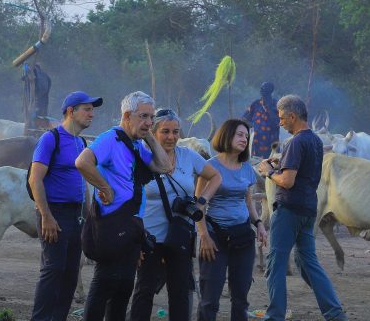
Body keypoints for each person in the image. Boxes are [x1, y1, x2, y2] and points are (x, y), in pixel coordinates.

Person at [75, 91, 173, 321]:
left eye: (151, 118)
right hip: (111, 224)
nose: (149, 122)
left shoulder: (136, 144)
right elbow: (82, 162)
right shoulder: (110, 139)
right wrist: (105, 187)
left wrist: (149, 135)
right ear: (127, 115)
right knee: (105, 283)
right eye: (144, 116)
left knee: (124, 287)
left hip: (132, 226)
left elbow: (164, 166)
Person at [256, 95, 346, 321]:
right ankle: (335, 314)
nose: (280, 123)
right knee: (307, 263)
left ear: (292, 116)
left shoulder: (295, 142)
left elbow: (287, 181)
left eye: (281, 118)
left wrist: (268, 171)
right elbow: (301, 169)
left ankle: (275, 315)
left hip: (289, 210)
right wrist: (282, 163)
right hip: (308, 210)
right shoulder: (315, 140)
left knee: (276, 263)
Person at [128, 109, 222, 321]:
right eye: (165, 131)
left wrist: (201, 202)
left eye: (175, 131)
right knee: (144, 291)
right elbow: (129, 200)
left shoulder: (188, 156)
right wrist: (134, 238)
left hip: (180, 236)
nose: (171, 137)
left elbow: (216, 176)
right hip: (148, 237)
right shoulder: (141, 157)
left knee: (180, 292)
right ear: (153, 132)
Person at [29, 91, 101, 321]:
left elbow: (83, 182)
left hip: (77, 215)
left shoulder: (81, 142)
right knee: (53, 269)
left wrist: (88, 216)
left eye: (92, 110)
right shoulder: (51, 139)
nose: (92, 114)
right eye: (87, 109)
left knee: (71, 272)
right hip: (55, 212)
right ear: (71, 111)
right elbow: (35, 179)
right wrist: (46, 216)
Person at [197, 118, 268, 321]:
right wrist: (204, 236)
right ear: (227, 135)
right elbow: (198, 206)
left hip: (242, 237)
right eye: (239, 134)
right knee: (210, 298)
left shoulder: (247, 169)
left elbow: (248, 203)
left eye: (246, 136)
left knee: (240, 298)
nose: (244, 139)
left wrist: (259, 224)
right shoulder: (209, 167)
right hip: (215, 238)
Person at [243, 81, 279, 158]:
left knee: (272, 164)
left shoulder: (277, 105)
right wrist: (254, 126)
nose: (262, 90)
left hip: (272, 145)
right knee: (256, 163)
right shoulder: (255, 104)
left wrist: (268, 109)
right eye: (261, 88)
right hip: (256, 144)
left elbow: (278, 122)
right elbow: (244, 120)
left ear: (271, 90)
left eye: (265, 88)